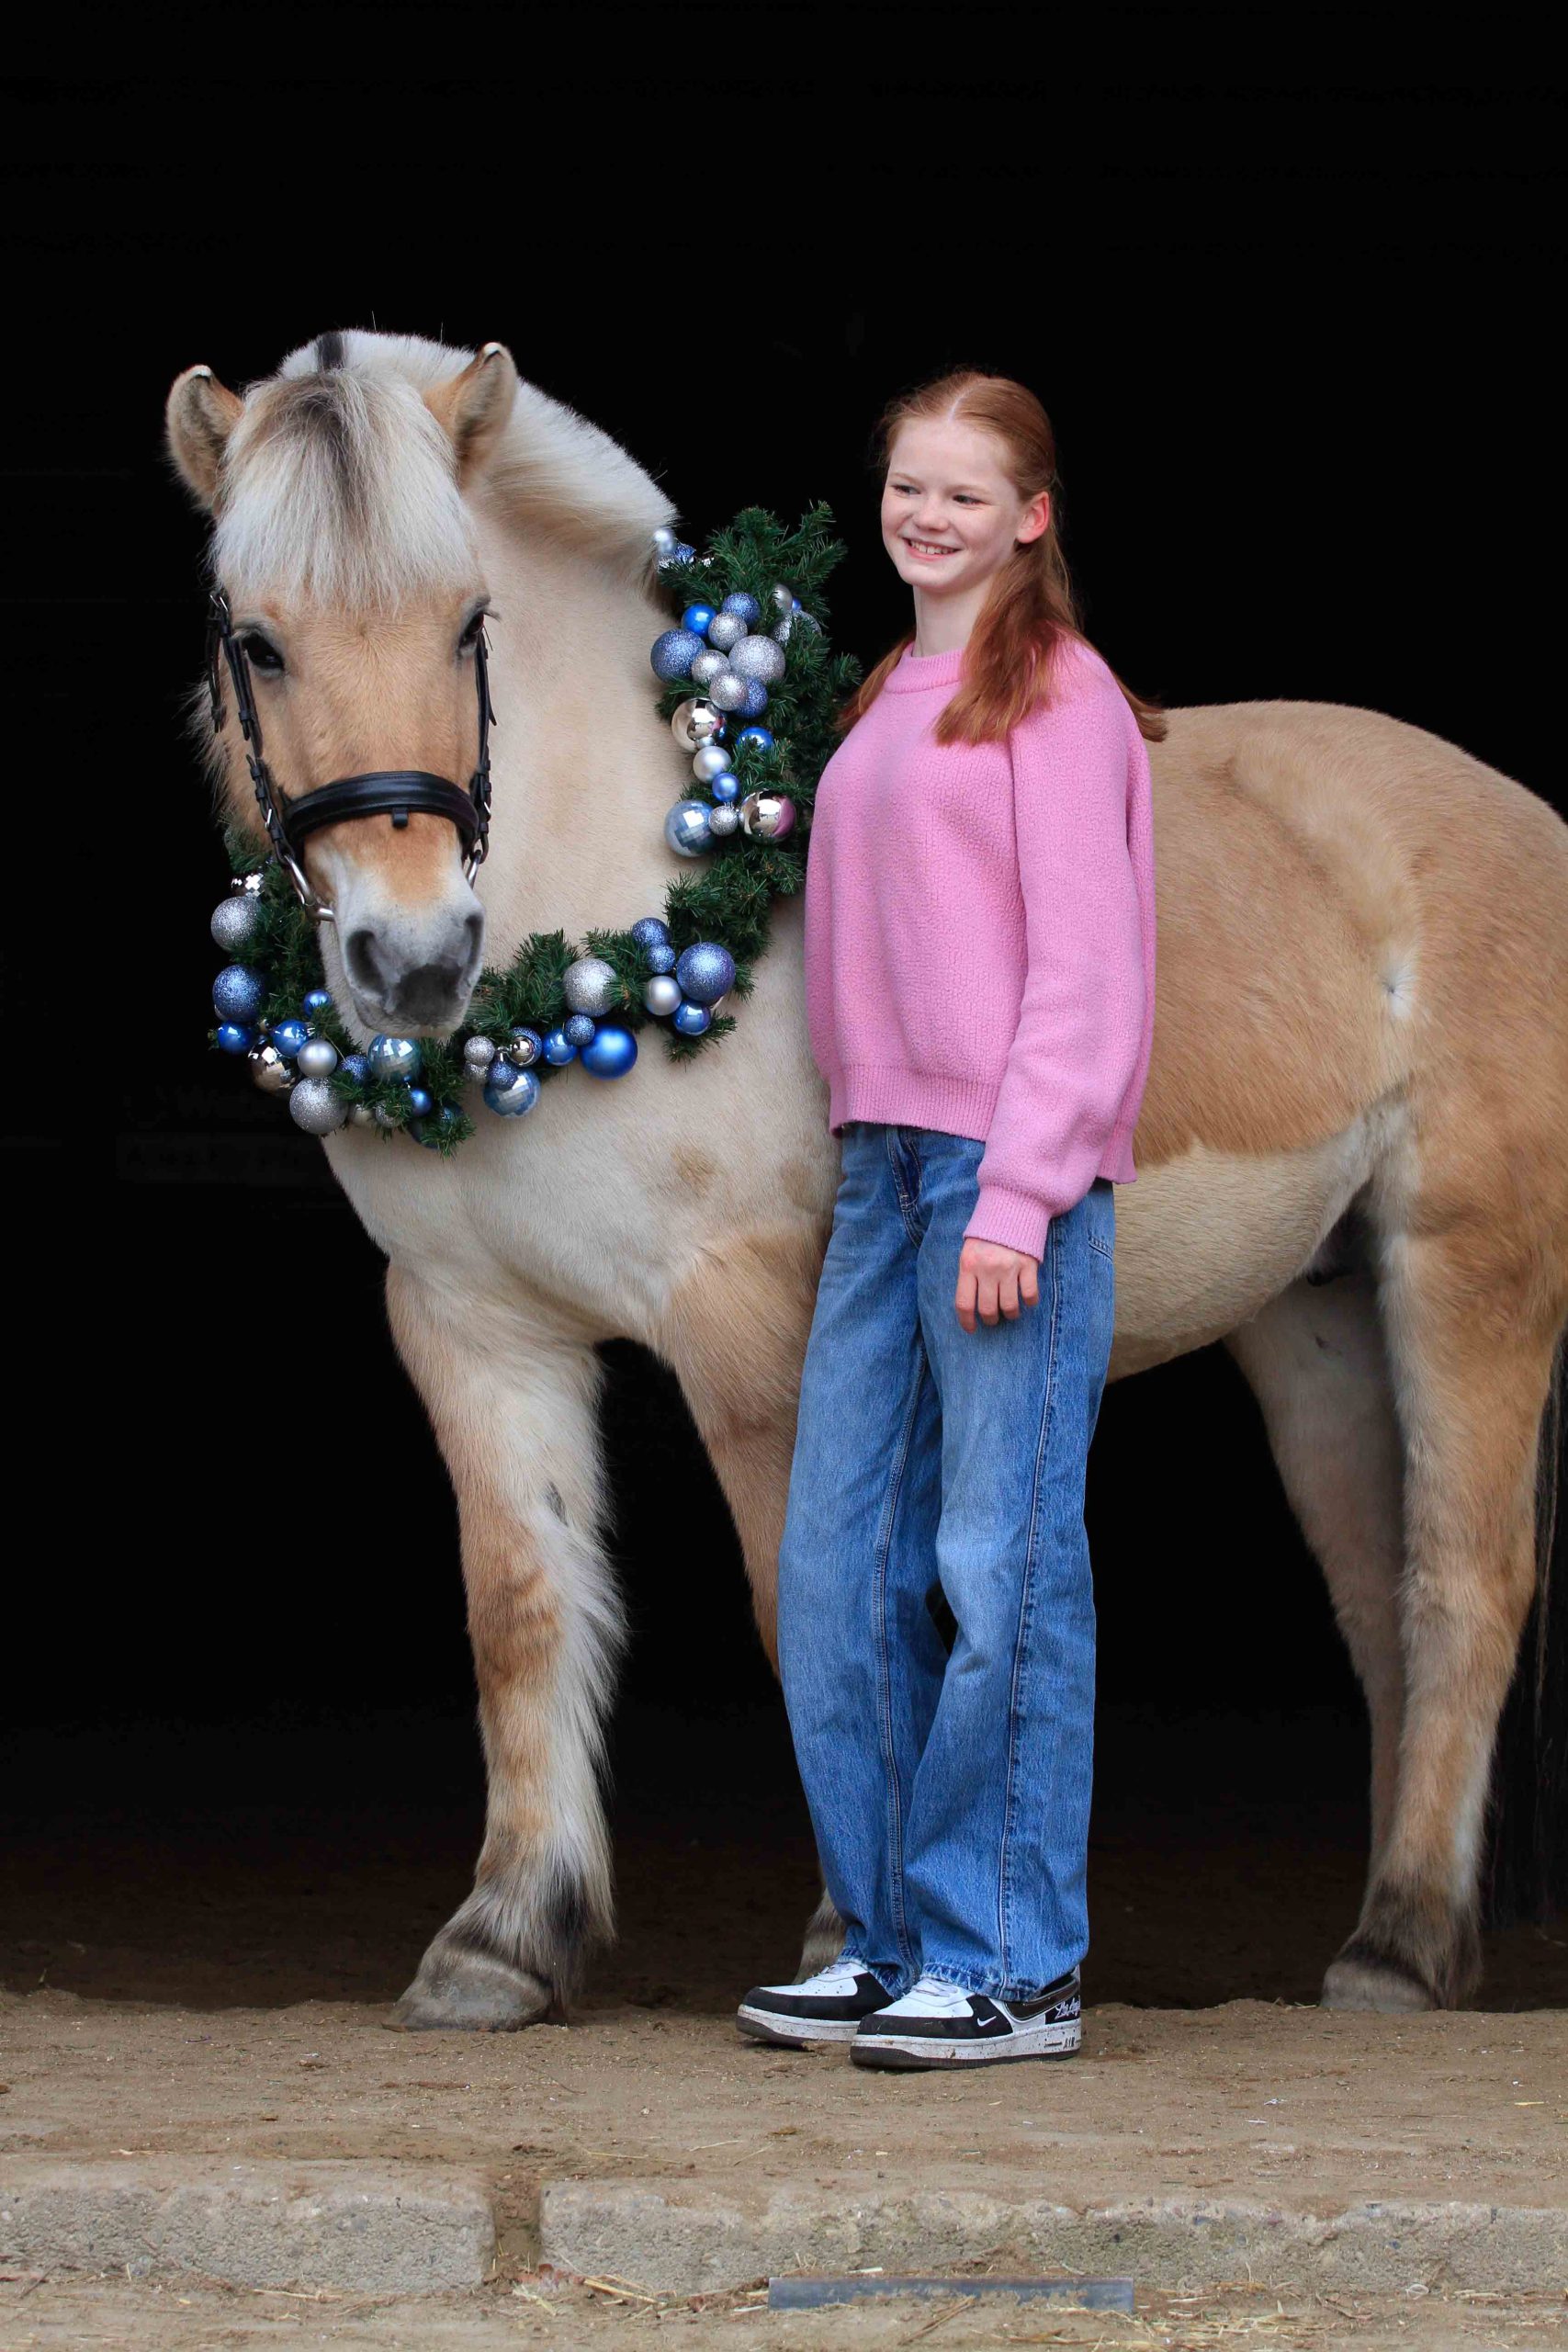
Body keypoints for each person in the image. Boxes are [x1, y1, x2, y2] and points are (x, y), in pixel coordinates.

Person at [736, 369, 1161, 2070]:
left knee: (1004, 1566)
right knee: (835, 1565)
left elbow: (1089, 967)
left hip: (996, 1171)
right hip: (880, 1169)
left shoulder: (1059, 693)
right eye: (909, 486)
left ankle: (1014, 1962)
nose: (928, 515)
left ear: (1031, 518)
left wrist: (1023, 1190)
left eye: (966, 494)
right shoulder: (887, 692)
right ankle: (893, 1936)